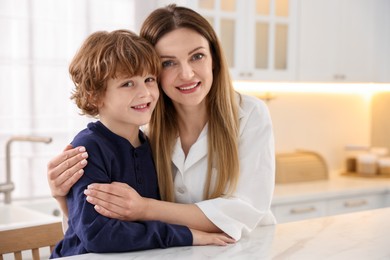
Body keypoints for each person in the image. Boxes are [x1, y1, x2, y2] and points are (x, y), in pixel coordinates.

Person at [47, 4, 276, 243]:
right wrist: (63, 197)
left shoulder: (249, 114)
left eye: (197, 56)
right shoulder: (141, 127)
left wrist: (145, 208)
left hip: (249, 250)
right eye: (168, 63)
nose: (187, 73)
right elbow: (97, 230)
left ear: (214, 60)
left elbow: (245, 211)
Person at [50, 29, 234, 258]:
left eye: (149, 80)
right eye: (128, 83)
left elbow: (151, 218)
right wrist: (189, 235)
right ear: (94, 96)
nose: (145, 92)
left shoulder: (150, 145)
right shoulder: (87, 150)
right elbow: (99, 235)